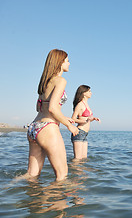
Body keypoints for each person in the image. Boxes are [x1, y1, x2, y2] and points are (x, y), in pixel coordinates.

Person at [26, 49, 79, 181]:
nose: (69, 63)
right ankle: (53, 200)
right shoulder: (60, 81)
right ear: (60, 62)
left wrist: (63, 117)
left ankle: (7, 189)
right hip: (47, 128)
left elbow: (39, 107)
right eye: (67, 60)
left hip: (34, 127)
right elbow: (52, 109)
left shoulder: (44, 82)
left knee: (31, 175)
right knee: (62, 176)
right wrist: (69, 125)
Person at [71, 85, 100, 160]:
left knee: (84, 159)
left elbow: (86, 118)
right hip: (79, 132)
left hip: (84, 134)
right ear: (84, 93)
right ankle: (71, 171)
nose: (91, 93)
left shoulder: (86, 104)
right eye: (89, 91)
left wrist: (93, 119)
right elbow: (73, 119)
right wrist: (86, 120)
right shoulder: (80, 104)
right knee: (77, 159)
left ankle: (81, 172)